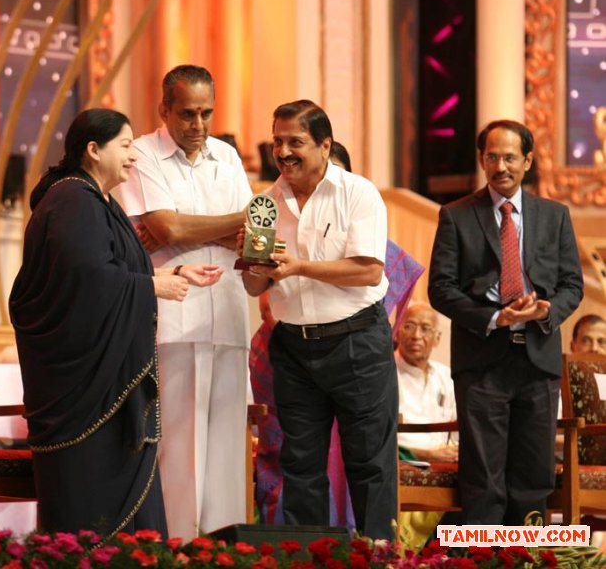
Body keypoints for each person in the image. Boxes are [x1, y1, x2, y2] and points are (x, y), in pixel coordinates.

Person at [10, 108, 223, 537]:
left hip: (106, 381)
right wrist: (153, 289)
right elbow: (87, 280)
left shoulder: (98, 202)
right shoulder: (73, 200)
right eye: (125, 146)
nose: (134, 156)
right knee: (91, 511)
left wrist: (172, 275)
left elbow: (114, 271)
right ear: (93, 150)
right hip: (84, 390)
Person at [242, 100, 397, 540]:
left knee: (369, 463)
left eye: (296, 142)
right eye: (278, 142)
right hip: (292, 348)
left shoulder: (357, 192)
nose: (284, 151)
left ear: (325, 146)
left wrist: (297, 266)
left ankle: (377, 557)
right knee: (301, 465)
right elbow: (256, 288)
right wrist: (252, 264)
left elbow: (368, 270)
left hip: (357, 343)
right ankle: (310, 560)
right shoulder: (264, 204)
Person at [117, 65, 252, 539]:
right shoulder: (142, 153)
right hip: (174, 319)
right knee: (178, 450)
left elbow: (251, 235)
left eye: (206, 113)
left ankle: (224, 549)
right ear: (164, 110)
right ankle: (180, 548)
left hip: (230, 316)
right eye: (187, 114)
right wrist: (229, 221)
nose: (198, 125)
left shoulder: (227, 156)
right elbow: (166, 228)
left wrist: (190, 226)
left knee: (227, 454)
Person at [428, 119, 583, 525]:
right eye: (492, 156)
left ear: (528, 160)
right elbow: (440, 289)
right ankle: (486, 558)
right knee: (483, 479)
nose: (501, 166)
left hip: (539, 362)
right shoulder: (456, 216)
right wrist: (495, 317)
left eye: (510, 157)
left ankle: (527, 558)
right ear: (482, 159)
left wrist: (546, 310)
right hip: (481, 363)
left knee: (534, 478)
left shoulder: (555, 216)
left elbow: (572, 285)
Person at [395, 303, 457, 463]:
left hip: (445, 460)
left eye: (425, 328)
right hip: (400, 463)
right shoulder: (384, 373)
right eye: (409, 326)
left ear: (437, 338)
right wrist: (428, 455)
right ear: (397, 332)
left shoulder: (447, 377)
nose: (416, 335)